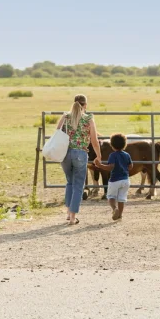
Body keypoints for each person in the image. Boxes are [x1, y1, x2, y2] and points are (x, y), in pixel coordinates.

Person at [57, 94, 101, 225]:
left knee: (69, 182)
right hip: (80, 153)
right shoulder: (88, 118)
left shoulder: (65, 116)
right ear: (85, 105)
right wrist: (99, 155)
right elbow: (94, 139)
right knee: (78, 185)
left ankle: (68, 212)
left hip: (66, 154)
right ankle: (72, 216)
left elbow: (57, 132)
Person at [95, 133, 133, 220]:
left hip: (115, 180)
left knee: (111, 197)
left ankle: (114, 209)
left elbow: (110, 167)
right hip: (125, 180)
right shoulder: (127, 155)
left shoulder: (112, 155)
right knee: (122, 198)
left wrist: (100, 165)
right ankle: (120, 215)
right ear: (125, 144)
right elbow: (131, 166)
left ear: (112, 145)